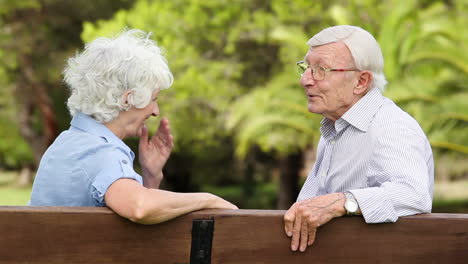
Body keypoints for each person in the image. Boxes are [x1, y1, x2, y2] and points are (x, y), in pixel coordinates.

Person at [29, 29, 237, 224]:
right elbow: (139, 208)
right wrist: (208, 200)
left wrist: (151, 175)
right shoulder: (98, 151)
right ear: (128, 99)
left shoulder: (68, 142)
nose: (156, 111)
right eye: (153, 99)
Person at [283, 25, 434, 252]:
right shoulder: (333, 131)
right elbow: (306, 212)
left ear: (361, 82)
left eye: (321, 69)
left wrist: (341, 202)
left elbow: (414, 194)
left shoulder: (390, 125)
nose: (305, 80)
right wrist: (229, 211)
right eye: (306, 68)